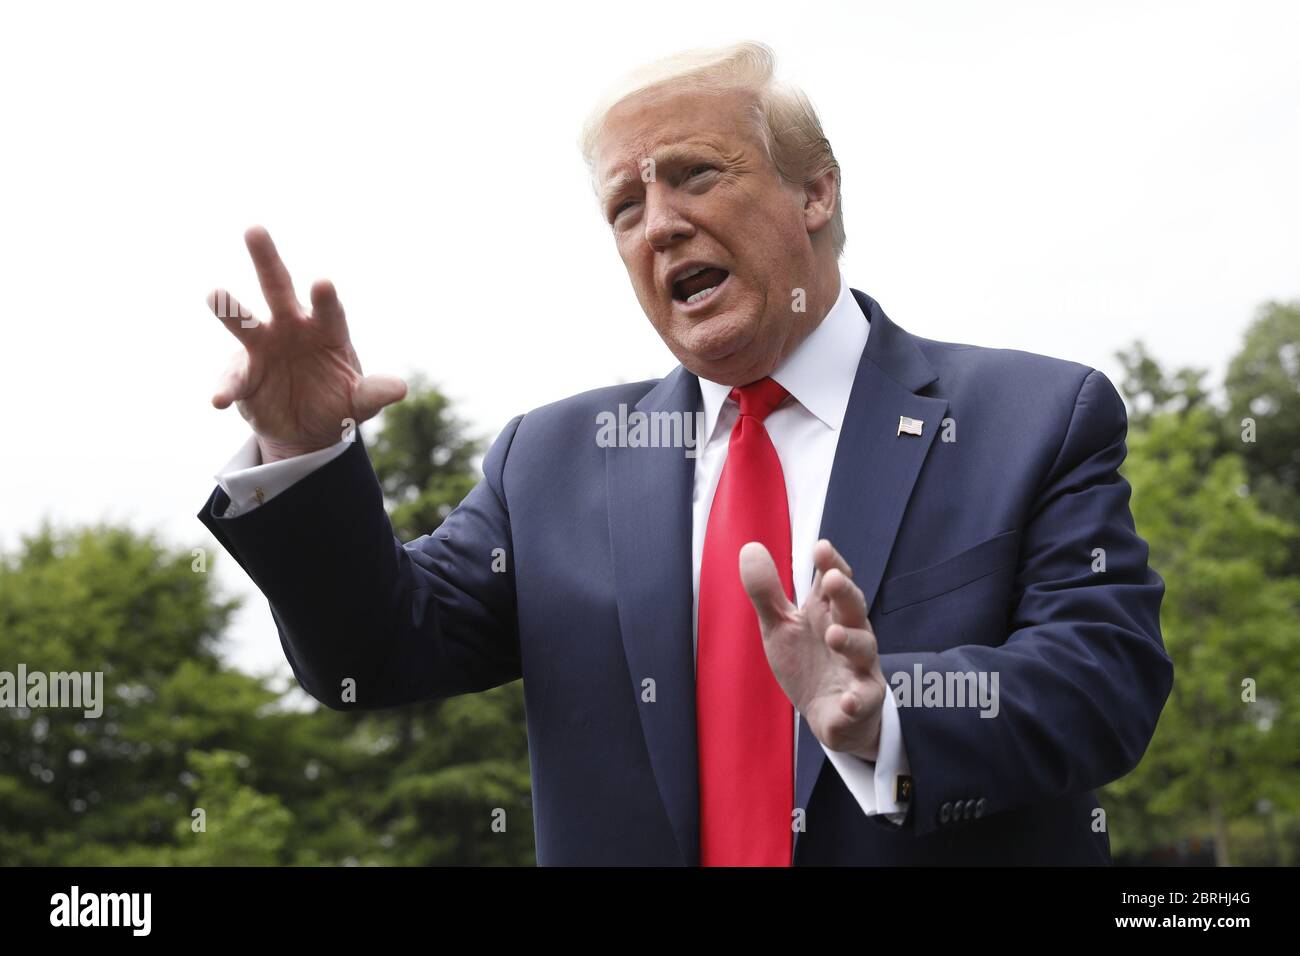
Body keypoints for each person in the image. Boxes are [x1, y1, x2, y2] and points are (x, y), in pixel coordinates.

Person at [198, 41, 1173, 865]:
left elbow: (1103, 678)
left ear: (815, 190)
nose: (658, 222)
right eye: (625, 205)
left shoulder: (1034, 417)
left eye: (695, 173)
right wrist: (304, 445)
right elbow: (370, 654)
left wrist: (890, 717)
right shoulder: (548, 464)